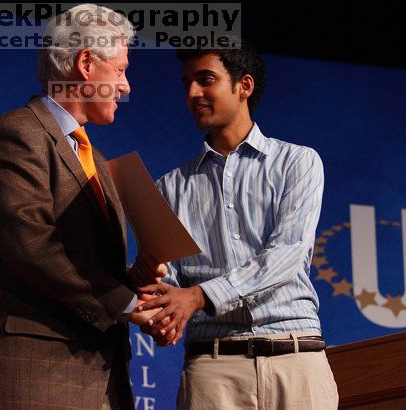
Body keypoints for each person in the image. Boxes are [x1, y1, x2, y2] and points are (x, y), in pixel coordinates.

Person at [0, 4, 163, 410]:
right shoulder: (18, 133)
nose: (126, 88)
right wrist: (125, 303)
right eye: (121, 70)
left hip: (101, 378)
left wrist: (135, 280)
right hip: (36, 376)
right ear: (87, 64)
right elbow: (33, 247)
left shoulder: (100, 164)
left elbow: (87, 265)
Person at [137, 40, 339, 409]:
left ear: (243, 86)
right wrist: (161, 317)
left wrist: (198, 297)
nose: (193, 93)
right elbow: (167, 283)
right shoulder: (168, 187)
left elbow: (288, 254)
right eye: (187, 84)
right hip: (213, 370)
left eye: (206, 80)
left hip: (295, 359)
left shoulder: (298, 163)